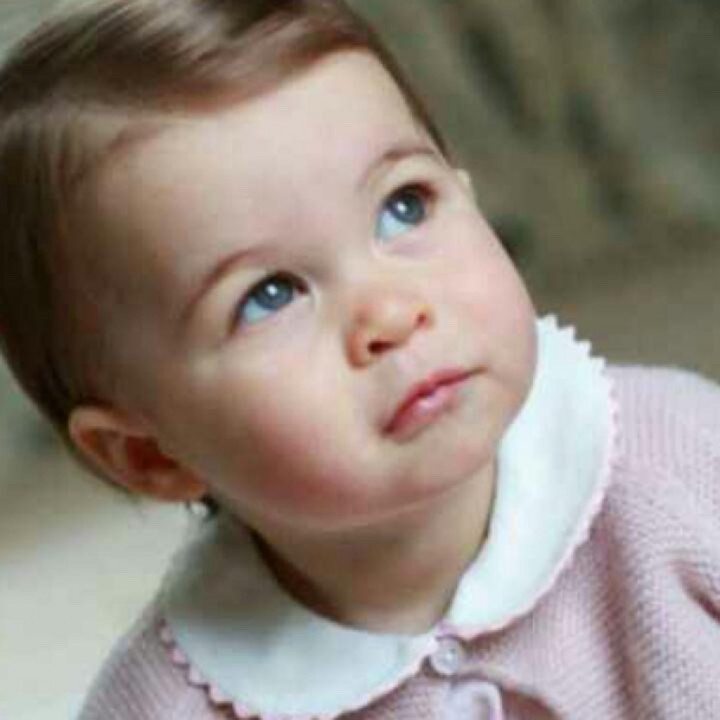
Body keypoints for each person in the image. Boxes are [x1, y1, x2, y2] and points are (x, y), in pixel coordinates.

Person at [0, 1, 718, 718]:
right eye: (269, 296)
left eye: (405, 206)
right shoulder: (166, 704)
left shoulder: (681, 461)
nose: (391, 313)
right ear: (150, 454)